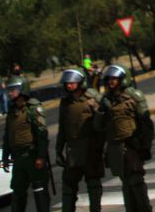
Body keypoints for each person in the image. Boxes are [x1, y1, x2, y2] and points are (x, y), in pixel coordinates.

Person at [96, 64, 153, 212]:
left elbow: (145, 123)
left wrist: (144, 146)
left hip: (132, 145)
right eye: (109, 79)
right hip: (115, 147)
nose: (111, 82)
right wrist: (101, 111)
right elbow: (99, 127)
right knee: (126, 183)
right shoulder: (106, 100)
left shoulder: (134, 96)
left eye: (114, 79)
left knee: (136, 181)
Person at [56, 68, 105, 212]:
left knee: (93, 185)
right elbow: (62, 129)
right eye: (67, 83)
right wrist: (58, 150)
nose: (69, 85)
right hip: (73, 151)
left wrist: (96, 108)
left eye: (72, 82)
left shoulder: (92, 97)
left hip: (91, 149)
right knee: (68, 187)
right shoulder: (65, 103)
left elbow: (104, 122)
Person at [2, 76, 50, 212]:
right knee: (17, 192)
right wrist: (5, 156)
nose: (10, 93)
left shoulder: (33, 108)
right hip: (18, 159)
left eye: (14, 90)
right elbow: (7, 137)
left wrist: (41, 156)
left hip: (32, 156)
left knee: (40, 190)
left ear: (22, 90)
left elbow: (42, 134)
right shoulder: (12, 111)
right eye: (9, 90)